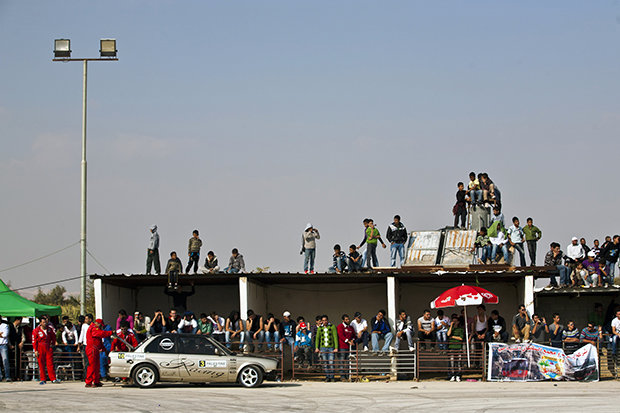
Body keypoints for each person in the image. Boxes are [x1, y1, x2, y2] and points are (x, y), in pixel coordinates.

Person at [85, 318, 115, 387]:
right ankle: (88, 382)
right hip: (92, 349)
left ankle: (96, 381)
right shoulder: (94, 328)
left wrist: (104, 349)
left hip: (95, 349)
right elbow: (101, 334)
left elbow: (99, 341)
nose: (101, 328)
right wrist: (111, 332)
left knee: (96, 366)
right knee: (92, 366)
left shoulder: (95, 329)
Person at [32, 317, 60, 384]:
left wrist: (54, 343)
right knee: (41, 364)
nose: (45, 324)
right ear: (40, 323)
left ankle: (53, 378)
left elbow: (53, 337)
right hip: (40, 348)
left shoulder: (49, 329)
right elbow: (34, 341)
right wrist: (35, 350)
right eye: (43, 322)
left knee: (50, 363)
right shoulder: (36, 330)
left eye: (46, 322)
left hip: (48, 347)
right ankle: (43, 379)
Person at [314, 315, 338, 382]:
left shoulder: (332, 326)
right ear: (321, 321)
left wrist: (336, 347)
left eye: (325, 320)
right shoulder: (320, 328)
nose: (324, 322)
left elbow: (335, 337)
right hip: (323, 347)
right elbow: (317, 338)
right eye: (323, 320)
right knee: (325, 363)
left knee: (331, 362)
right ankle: (327, 376)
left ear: (327, 320)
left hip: (330, 347)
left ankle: (332, 376)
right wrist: (317, 347)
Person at [336, 314, 355, 380]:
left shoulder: (350, 327)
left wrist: (352, 340)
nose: (348, 320)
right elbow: (340, 335)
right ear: (343, 320)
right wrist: (347, 341)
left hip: (349, 347)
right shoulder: (340, 326)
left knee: (348, 362)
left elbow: (353, 335)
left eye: (348, 319)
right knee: (341, 361)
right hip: (342, 347)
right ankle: (342, 376)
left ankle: (347, 375)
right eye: (346, 319)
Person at [447, 315, 465, 382]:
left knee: (459, 361)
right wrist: (451, 326)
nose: (454, 322)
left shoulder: (460, 329)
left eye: (455, 321)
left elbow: (460, 338)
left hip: (458, 346)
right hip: (451, 347)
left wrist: (453, 337)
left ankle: (458, 375)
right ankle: (452, 375)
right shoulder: (450, 328)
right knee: (452, 362)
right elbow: (448, 334)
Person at [0, 317, 10, 382]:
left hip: (3, 345)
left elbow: (5, 334)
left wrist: (2, 334)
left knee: (5, 361)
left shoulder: (5, 325)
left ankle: (7, 376)